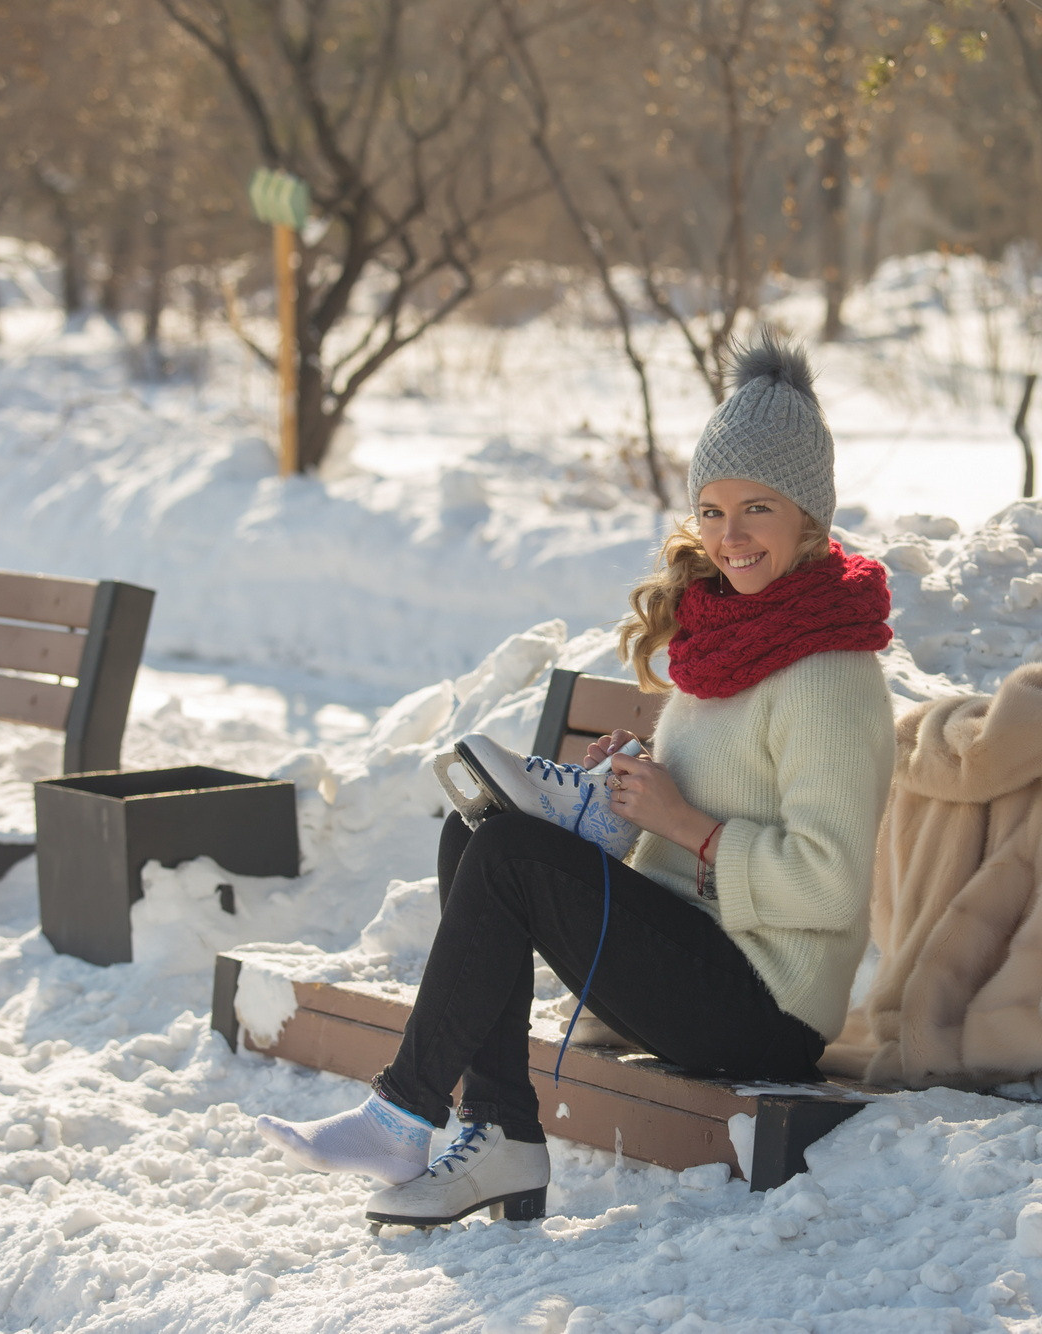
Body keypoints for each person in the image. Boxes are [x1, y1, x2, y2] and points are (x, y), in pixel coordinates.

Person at [254, 334, 897, 1228]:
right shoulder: (734, 642)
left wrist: (688, 828)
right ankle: (504, 1135)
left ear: (810, 517)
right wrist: (627, 793)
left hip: (767, 1004)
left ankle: (403, 1114)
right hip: (699, 959)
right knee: (476, 831)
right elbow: (699, 813)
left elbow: (830, 886)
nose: (729, 537)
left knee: (510, 854)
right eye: (710, 511)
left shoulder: (828, 671)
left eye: (757, 508)